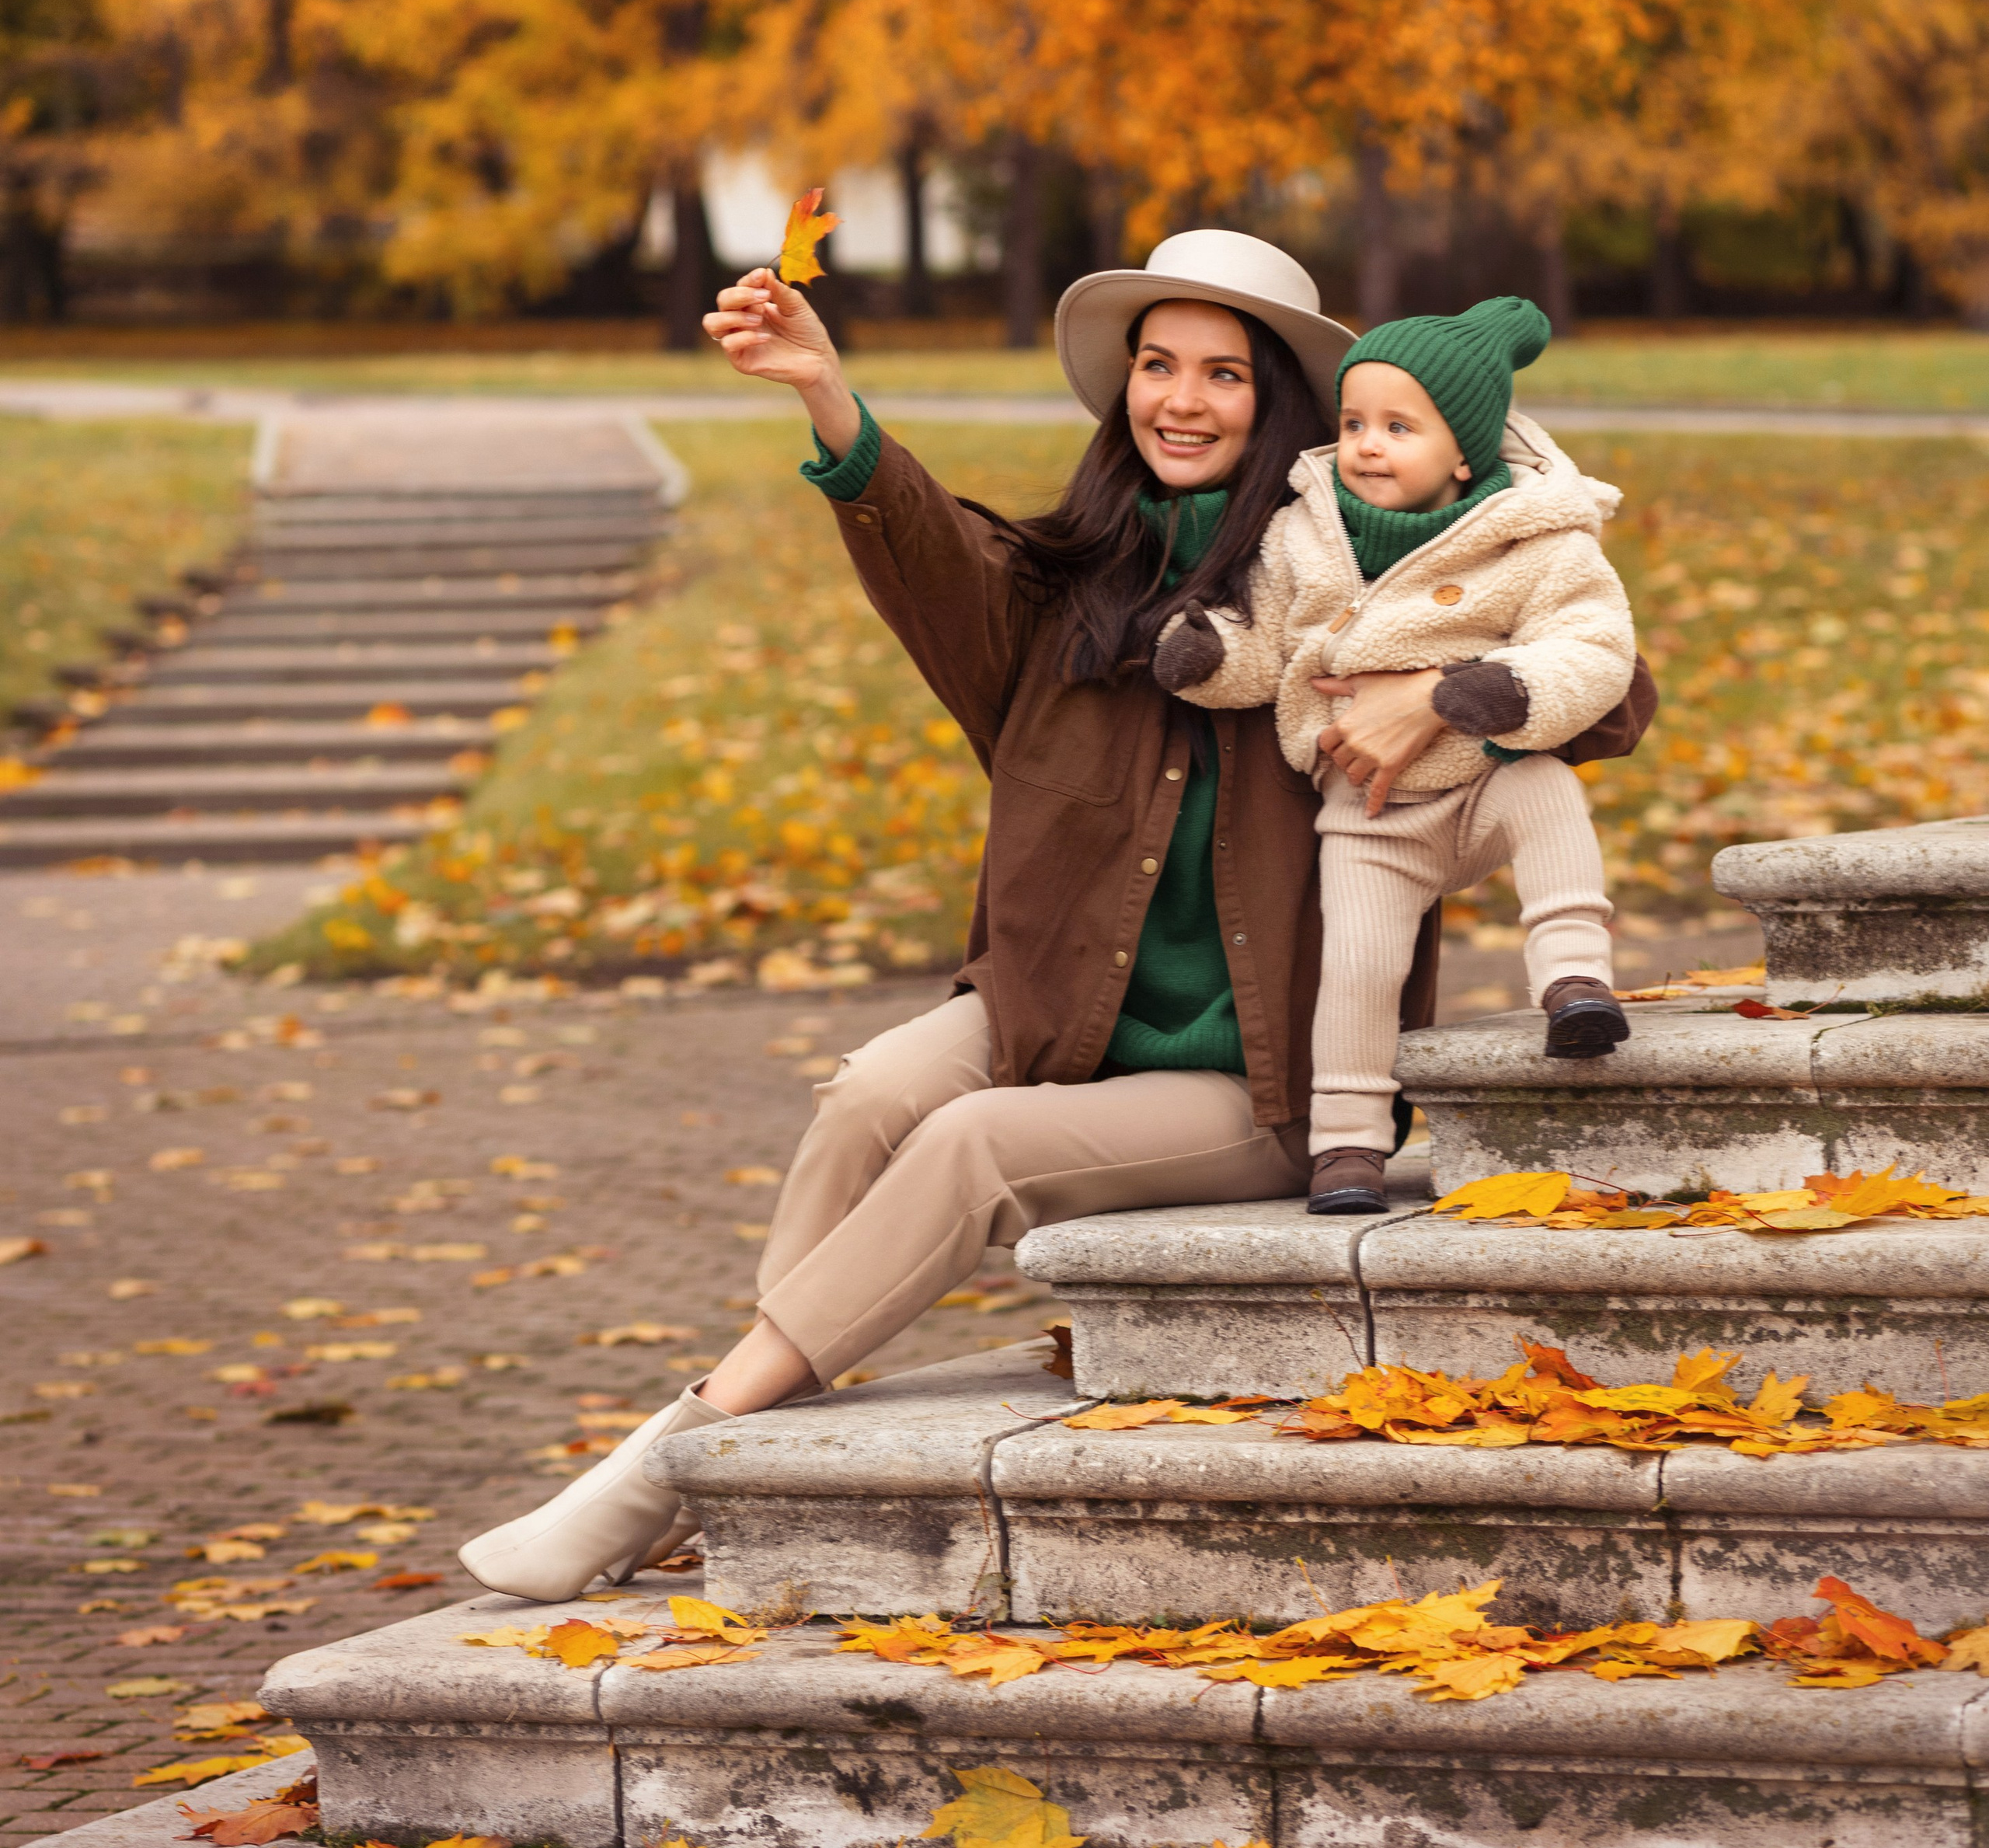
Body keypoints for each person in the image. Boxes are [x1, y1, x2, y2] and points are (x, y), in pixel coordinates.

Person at [459, 237, 1655, 1602]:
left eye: (1223, 372)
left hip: (1257, 1080)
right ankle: (746, 1441)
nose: (1182, 399)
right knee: (865, 1095)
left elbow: (1611, 690)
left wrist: (1435, 690)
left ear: (1282, 408)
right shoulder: (1063, 594)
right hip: (1054, 1014)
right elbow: (923, 548)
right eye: (1158, 365)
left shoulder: (1356, 590)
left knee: (969, 1141)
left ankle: (671, 1461)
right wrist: (827, 397)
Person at [1155, 296, 1635, 1219]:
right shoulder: (1307, 529)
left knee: (1547, 795)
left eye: (1398, 427)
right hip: (1367, 809)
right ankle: (1346, 1143)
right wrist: (1211, 655)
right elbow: (1273, 644)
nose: (1367, 445)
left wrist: (1493, 688)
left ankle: (1573, 975)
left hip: (1482, 774)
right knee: (1360, 966)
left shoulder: (1534, 536)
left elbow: (1593, 645)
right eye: (1354, 422)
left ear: (1463, 451)